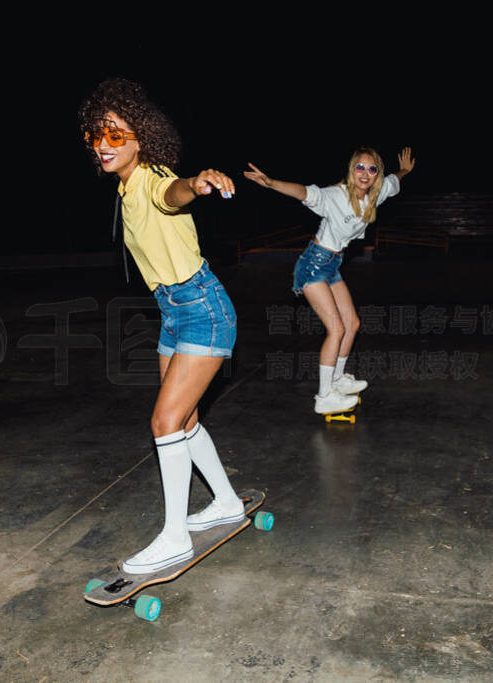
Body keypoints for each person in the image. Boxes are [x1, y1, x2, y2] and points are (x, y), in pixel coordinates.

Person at [79, 78, 244, 574]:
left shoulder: (151, 177)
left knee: (164, 423)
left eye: (115, 135)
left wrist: (195, 183)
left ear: (139, 138)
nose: (104, 145)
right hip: (174, 312)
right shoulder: (126, 187)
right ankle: (226, 502)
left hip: (203, 309)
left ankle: (175, 537)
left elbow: (172, 194)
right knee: (184, 419)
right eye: (96, 136)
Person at [243, 146, 415, 414]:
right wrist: (271, 183)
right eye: (360, 167)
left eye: (372, 169)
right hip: (313, 266)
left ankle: (337, 379)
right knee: (336, 329)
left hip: (333, 264)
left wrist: (405, 170)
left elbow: (395, 180)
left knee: (352, 323)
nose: (365, 174)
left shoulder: (377, 193)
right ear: (351, 169)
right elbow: (303, 191)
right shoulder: (335, 196)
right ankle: (324, 396)